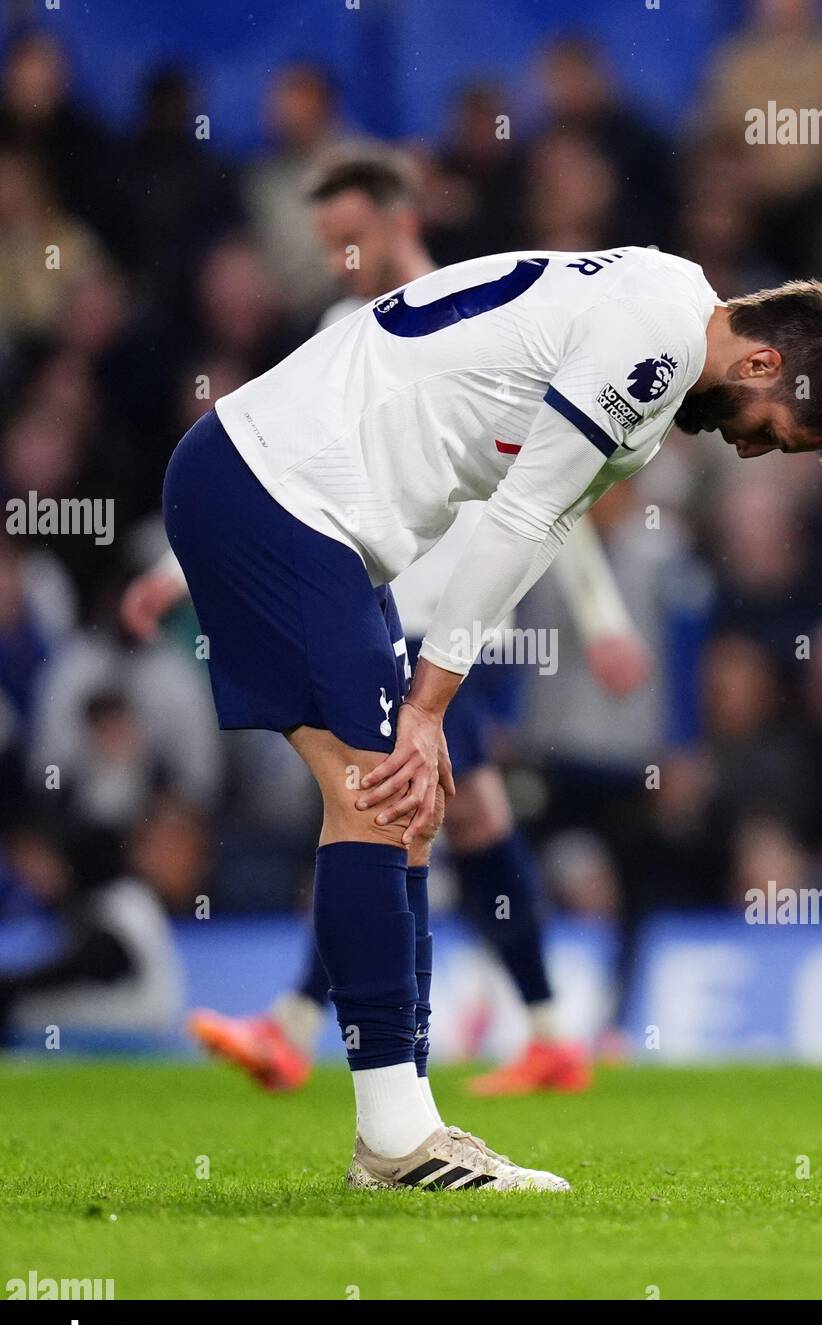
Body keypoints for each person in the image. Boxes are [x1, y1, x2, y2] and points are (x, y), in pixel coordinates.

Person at [158, 238, 822, 1191]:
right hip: (281, 494)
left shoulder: (659, 318)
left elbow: (539, 524)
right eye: (768, 429)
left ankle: (404, 1126)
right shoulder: (656, 346)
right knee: (378, 794)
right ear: (761, 363)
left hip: (312, 510)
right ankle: (397, 1143)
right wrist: (428, 705)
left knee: (405, 811)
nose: (748, 448)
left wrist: (431, 705)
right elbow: (517, 519)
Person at [127, 146, 651, 1097]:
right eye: (330, 247)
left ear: (403, 221)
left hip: (454, 624)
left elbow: (556, 489)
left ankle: (350, 1038)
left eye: (355, 239)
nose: (345, 263)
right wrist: (178, 572)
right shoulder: (349, 326)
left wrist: (603, 617)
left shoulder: (497, 320)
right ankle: (525, 1033)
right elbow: (288, 466)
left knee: (400, 807)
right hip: (370, 597)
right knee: (432, 813)